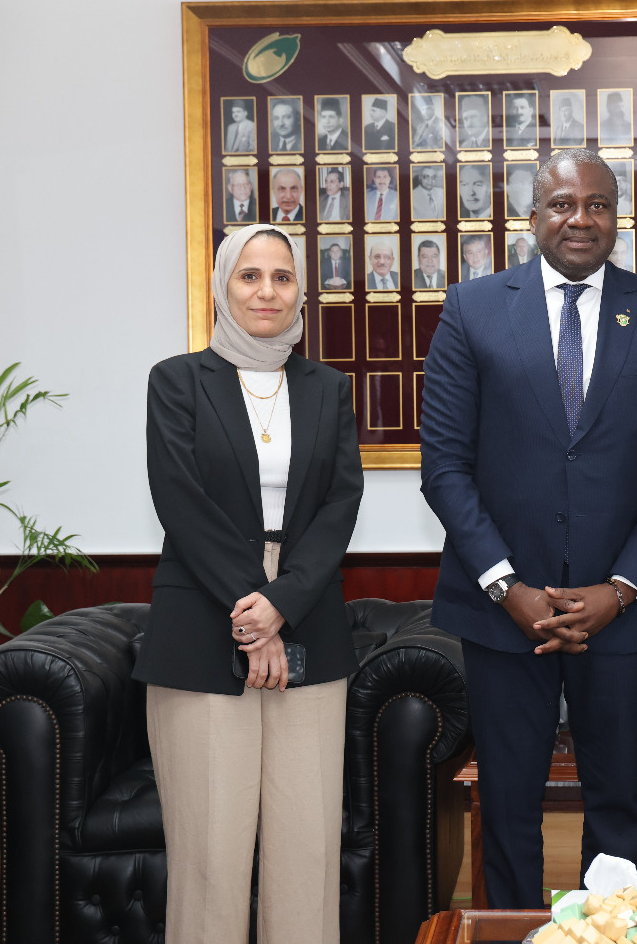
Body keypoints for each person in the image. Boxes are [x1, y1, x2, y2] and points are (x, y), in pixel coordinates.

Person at [419, 148, 637, 909]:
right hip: (501, 611)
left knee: (617, 805)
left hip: (621, 611)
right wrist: (506, 586)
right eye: (562, 204)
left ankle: (607, 928)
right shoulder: (473, 307)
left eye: (597, 204)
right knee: (507, 802)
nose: (580, 218)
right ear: (534, 216)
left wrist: (621, 587)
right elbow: (444, 466)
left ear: (617, 217)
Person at [138, 223, 363, 944]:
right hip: (202, 615)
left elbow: (341, 503)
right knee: (210, 852)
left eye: (282, 277)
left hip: (308, 613)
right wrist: (254, 609)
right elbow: (180, 499)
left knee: (307, 846)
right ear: (222, 287)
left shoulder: (329, 388)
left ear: (301, 292)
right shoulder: (176, 381)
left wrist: (282, 602)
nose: (267, 291)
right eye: (250, 275)